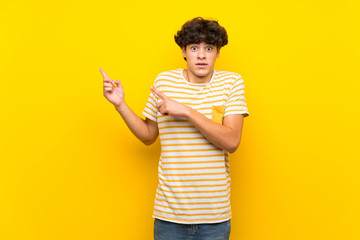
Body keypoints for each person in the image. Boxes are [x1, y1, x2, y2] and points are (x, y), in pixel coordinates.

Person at [101, 17, 249, 240]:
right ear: (183, 51)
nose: (201, 55)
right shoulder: (165, 82)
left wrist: (186, 111)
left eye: (209, 48)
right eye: (194, 47)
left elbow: (231, 141)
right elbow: (148, 135)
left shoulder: (232, 82)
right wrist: (120, 105)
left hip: (214, 217)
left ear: (217, 52)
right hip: (169, 216)